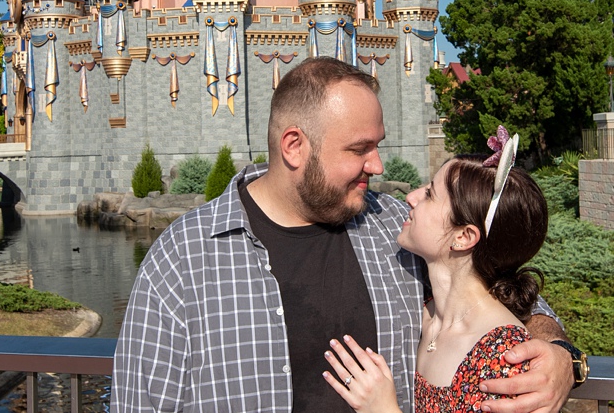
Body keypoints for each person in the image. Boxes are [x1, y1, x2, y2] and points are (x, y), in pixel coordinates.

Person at [112, 57, 577, 413]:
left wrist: (558, 355)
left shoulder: (392, 227)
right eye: (359, 149)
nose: (376, 166)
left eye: (378, 145)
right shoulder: (184, 258)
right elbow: (138, 401)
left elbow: (499, 290)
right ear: (294, 146)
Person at [322, 128, 572, 413]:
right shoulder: (425, 311)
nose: (411, 197)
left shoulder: (502, 355)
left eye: (430, 194)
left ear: (463, 237)